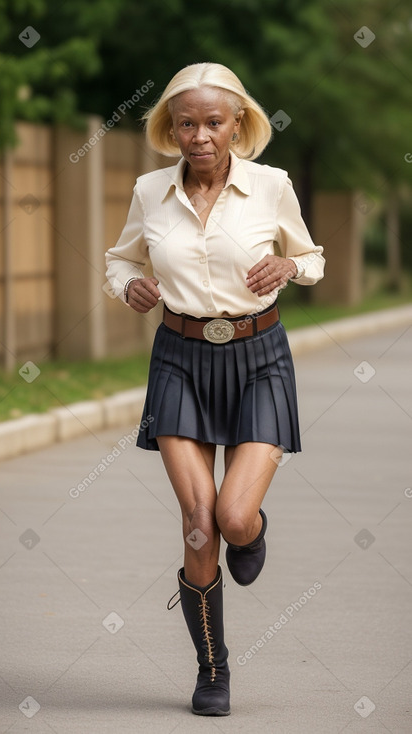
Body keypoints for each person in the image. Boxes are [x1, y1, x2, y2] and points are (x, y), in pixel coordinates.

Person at [105, 62, 325, 717]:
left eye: (213, 122)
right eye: (186, 123)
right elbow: (122, 260)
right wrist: (128, 286)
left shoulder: (271, 186)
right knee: (200, 529)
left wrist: (291, 263)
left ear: (237, 125)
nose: (199, 135)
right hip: (178, 357)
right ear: (170, 129)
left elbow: (309, 258)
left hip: (259, 356)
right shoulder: (149, 191)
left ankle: (250, 532)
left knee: (231, 519)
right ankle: (212, 669)